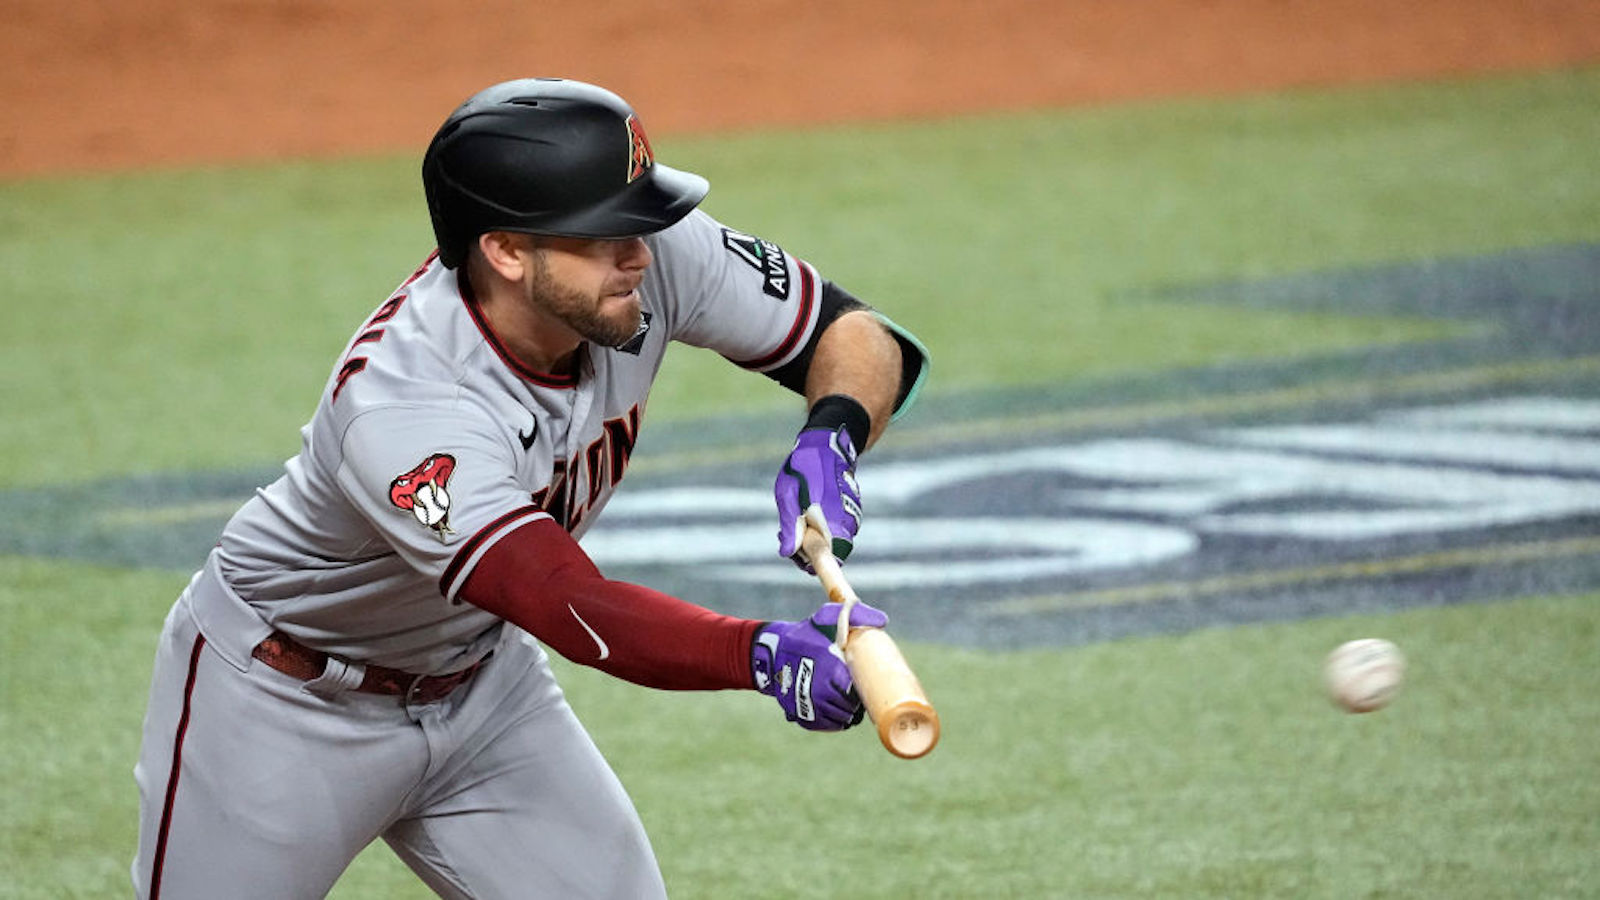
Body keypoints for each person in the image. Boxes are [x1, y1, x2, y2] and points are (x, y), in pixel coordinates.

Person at [131, 77, 928, 898]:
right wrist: (753, 651)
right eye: (606, 233)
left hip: (480, 688)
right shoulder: (405, 407)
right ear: (506, 251)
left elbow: (855, 333)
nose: (642, 254)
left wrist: (833, 430)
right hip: (279, 703)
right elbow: (569, 605)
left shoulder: (642, 257)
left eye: (642, 220)